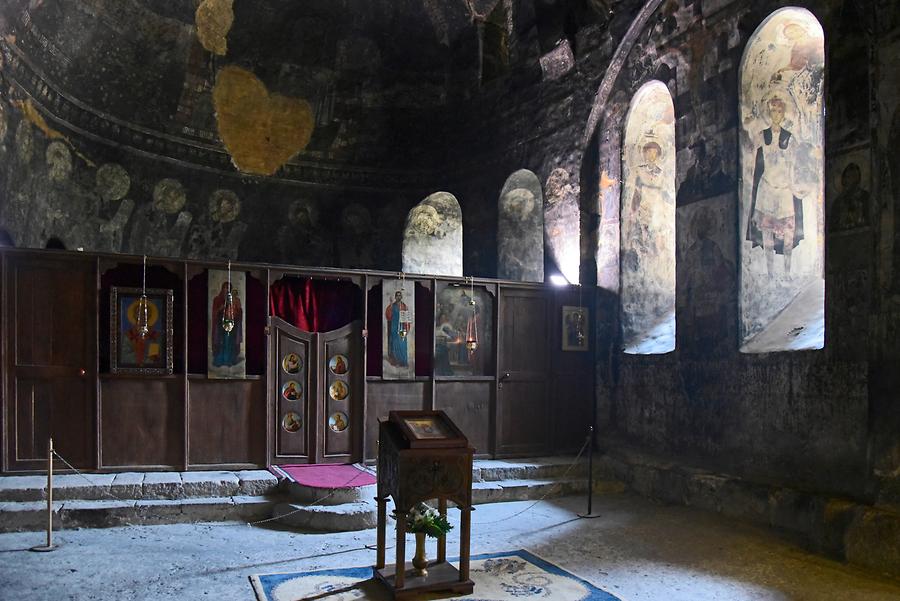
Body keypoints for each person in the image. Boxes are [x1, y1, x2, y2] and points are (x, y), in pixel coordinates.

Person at [747, 96, 804, 275]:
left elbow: (795, 165)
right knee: (767, 234)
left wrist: (796, 187)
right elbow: (750, 157)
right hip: (767, 188)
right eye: (773, 111)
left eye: (779, 111)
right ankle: (770, 273)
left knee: (788, 233)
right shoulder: (762, 136)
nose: (776, 114)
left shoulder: (790, 138)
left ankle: (787, 272)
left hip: (785, 189)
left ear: (784, 113)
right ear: (768, 113)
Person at [211, 281, 243, 367]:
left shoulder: (234, 300)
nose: (227, 290)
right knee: (222, 342)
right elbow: (215, 313)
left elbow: (238, 312)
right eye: (225, 288)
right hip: (220, 325)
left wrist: (236, 310)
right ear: (222, 289)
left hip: (232, 324)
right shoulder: (217, 299)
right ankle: (220, 360)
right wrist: (221, 308)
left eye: (229, 288)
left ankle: (230, 360)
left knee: (230, 342)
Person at [385, 289, 409, 367]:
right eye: (397, 295)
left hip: (402, 328)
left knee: (402, 343)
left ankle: (403, 361)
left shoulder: (404, 306)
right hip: (394, 328)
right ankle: (396, 361)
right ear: (395, 297)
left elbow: (407, 318)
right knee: (395, 343)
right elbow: (388, 316)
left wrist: (407, 328)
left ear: (401, 296)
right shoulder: (392, 305)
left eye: (399, 295)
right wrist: (391, 305)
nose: (398, 297)